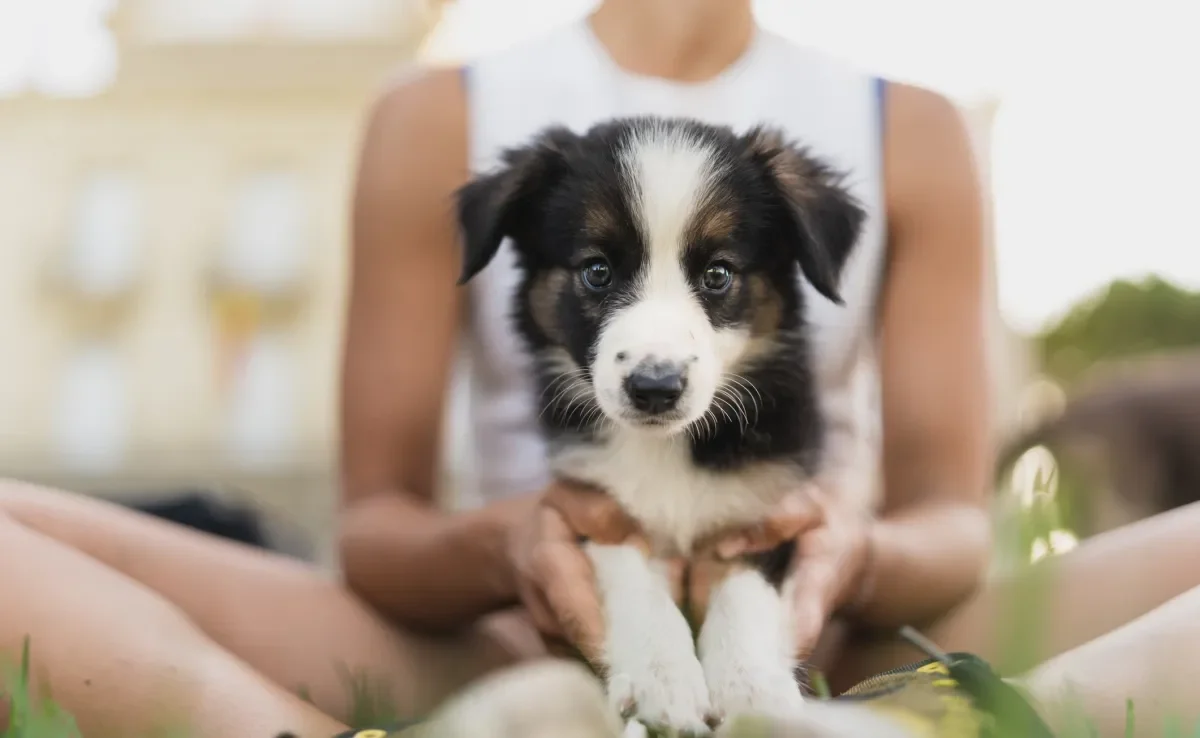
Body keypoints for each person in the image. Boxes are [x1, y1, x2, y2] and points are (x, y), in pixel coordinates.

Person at [2, 1, 1200, 736]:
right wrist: (515, 546)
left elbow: (953, 518)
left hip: (847, 634)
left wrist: (855, 551)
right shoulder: (442, 113)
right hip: (501, 632)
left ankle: (962, 721)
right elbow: (373, 524)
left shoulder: (912, 131)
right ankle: (335, 733)